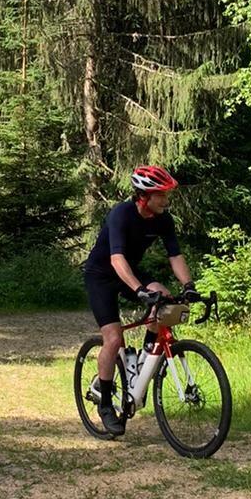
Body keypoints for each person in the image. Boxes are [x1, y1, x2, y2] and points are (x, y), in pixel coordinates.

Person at [82, 165, 196, 436]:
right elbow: (116, 259)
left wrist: (189, 286)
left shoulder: (163, 219)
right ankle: (106, 404)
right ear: (145, 195)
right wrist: (139, 289)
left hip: (129, 272)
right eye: (162, 194)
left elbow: (175, 256)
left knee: (165, 299)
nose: (166, 200)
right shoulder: (121, 214)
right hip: (102, 275)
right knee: (112, 338)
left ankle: (142, 362)